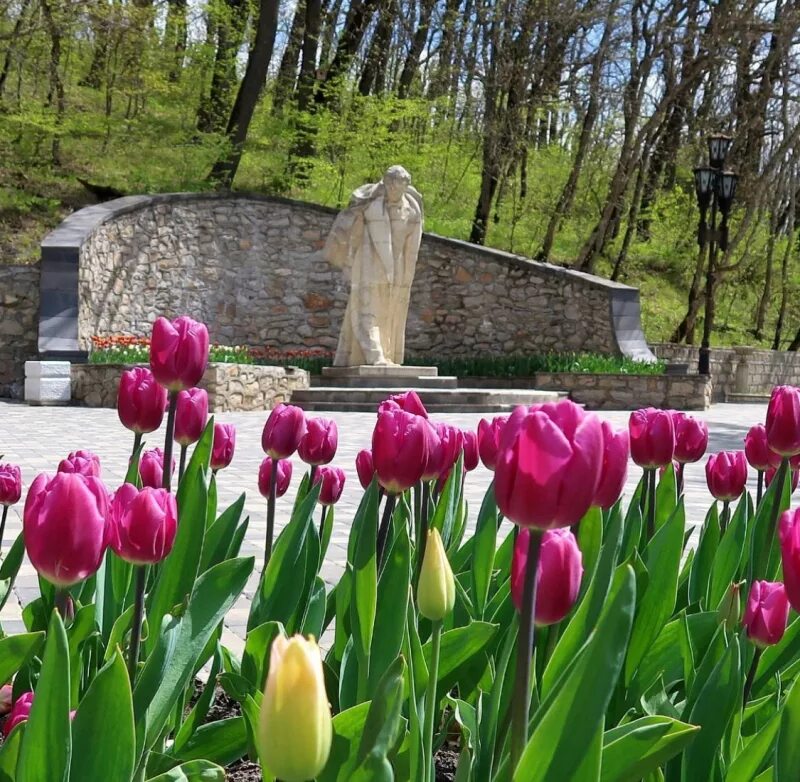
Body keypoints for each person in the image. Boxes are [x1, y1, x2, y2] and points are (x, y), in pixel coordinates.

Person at [323, 165, 424, 366]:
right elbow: (352, 233)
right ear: (385, 184)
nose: (394, 191)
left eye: (399, 187)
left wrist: (405, 277)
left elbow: (411, 249)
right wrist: (349, 261)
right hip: (368, 263)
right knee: (366, 310)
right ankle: (374, 354)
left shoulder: (412, 211)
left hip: (396, 269)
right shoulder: (369, 206)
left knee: (387, 315)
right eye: (391, 186)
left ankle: (383, 354)